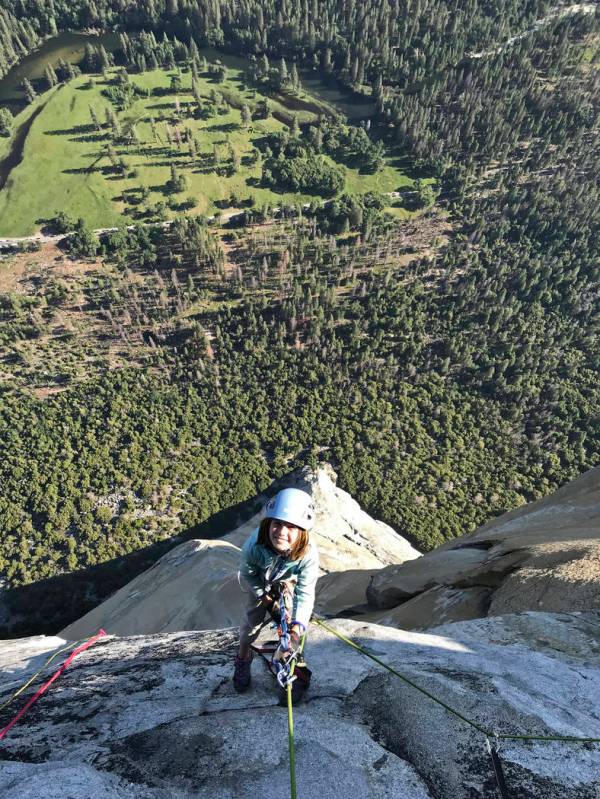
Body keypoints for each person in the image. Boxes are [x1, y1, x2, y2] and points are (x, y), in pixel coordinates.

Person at [233, 487, 319, 700]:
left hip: (287, 583)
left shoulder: (308, 555)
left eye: (291, 526)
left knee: (292, 630)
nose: (281, 531)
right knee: (250, 627)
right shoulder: (254, 546)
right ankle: (243, 658)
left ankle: (290, 664)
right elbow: (248, 575)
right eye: (277, 523)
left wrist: (298, 627)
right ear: (268, 524)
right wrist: (264, 597)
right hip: (260, 582)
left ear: (302, 532)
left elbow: (305, 592)